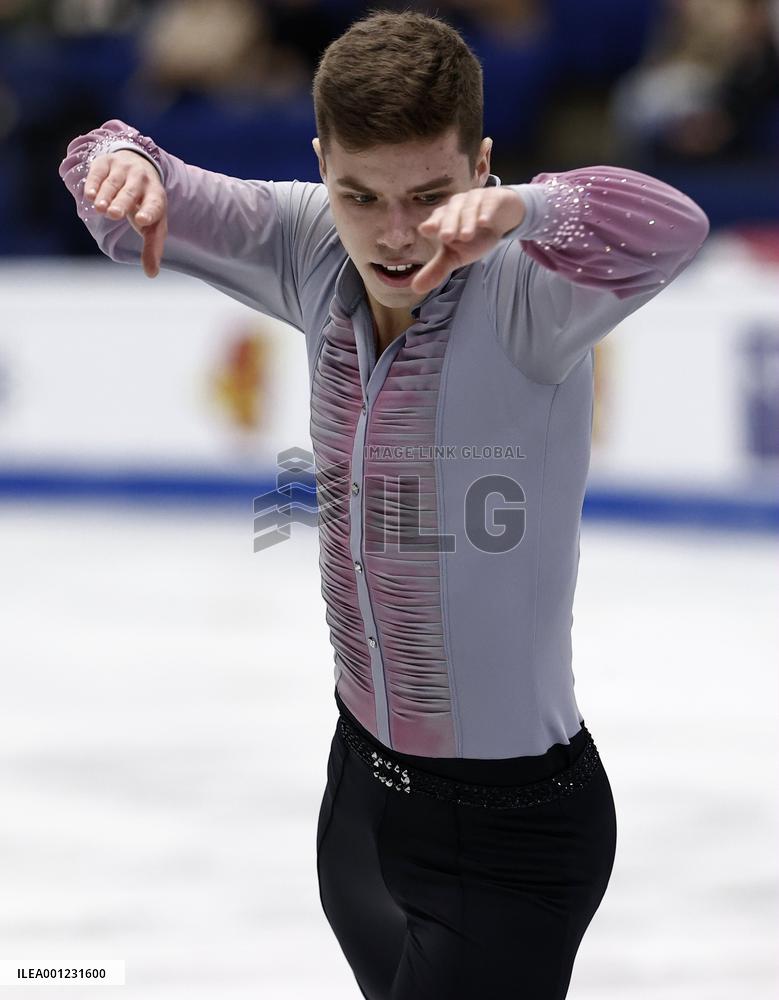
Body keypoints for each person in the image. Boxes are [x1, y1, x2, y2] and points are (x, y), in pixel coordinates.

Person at [59, 10, 710, 999]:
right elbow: (115, 173)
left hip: (511, 842)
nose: (395, 235)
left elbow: (672, 226)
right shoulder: (308, 245)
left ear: (479, 163)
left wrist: (521, 211)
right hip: (357, 805)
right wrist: (118, 161)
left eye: (429, 195)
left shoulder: (528, 295)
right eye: (358, 194)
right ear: (321, 164)